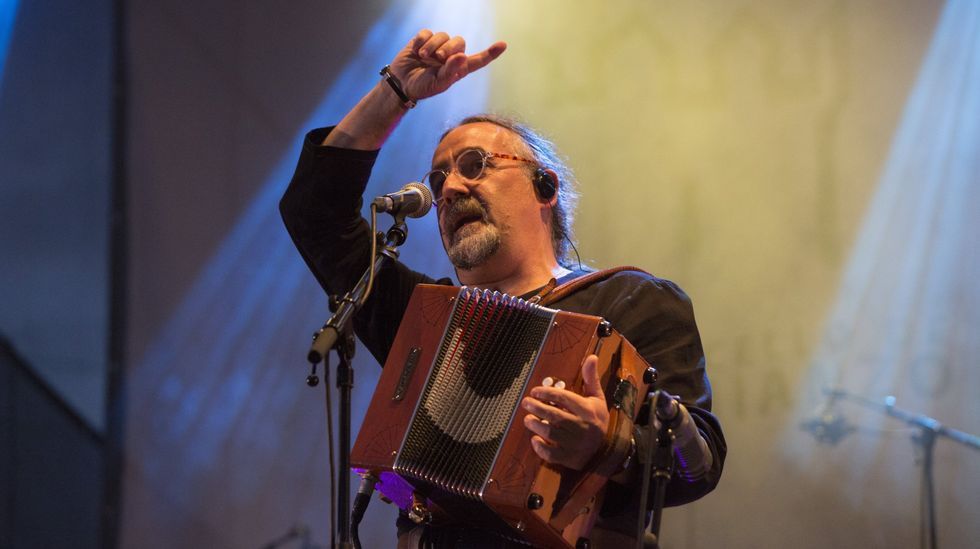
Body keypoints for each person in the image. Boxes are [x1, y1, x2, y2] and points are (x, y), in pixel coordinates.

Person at [280, 30, 725, 548]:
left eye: (474, 166)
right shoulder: (423, 319)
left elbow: (701, 465)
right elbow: (315, 214)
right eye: (439, 177)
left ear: (546, 187)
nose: (449, 189)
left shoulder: (632, 300)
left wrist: (606, 444)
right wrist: (394, 92)